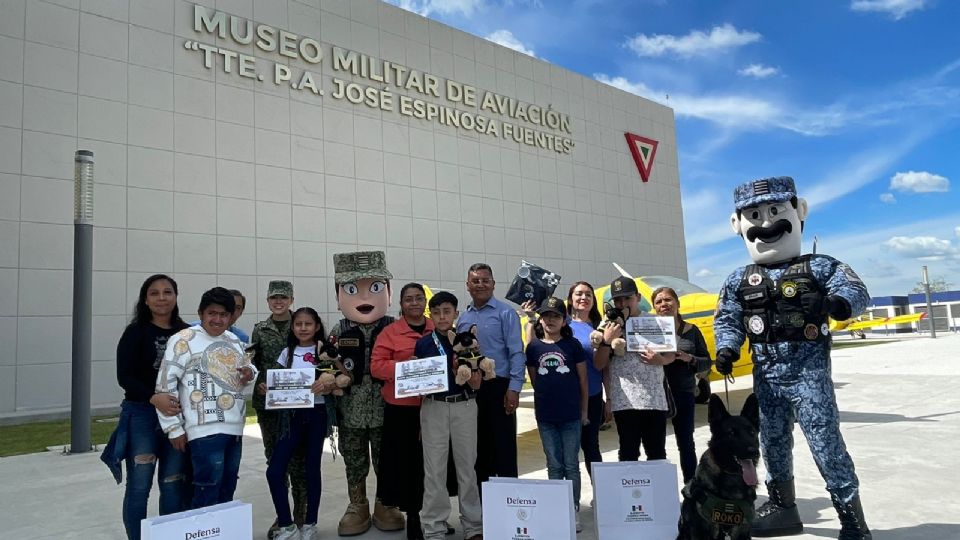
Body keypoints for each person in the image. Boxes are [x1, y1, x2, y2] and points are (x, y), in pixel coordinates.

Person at [714, 176, 872, 539]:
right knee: (771, 442)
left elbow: (854, 289)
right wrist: (727, 347)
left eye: (775, 210)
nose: (766, 223)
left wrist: (837, 304)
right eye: (754, 214)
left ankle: (852, 521)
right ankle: (783, 506)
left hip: (809, 372)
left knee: (825, 443)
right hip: (766, 375)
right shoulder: (739, 279)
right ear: (738, 224)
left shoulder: (820, 267)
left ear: (798, 212)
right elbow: (728, 318)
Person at [100, 274, 191, 540]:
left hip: (177, 417)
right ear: (145, 299)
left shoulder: (186, 333)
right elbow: (125, 376)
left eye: (167, 292)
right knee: (139, 487)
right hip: (141, 415)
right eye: (154, 293)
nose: (161, 298)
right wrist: (154, 397)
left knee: (173, 483)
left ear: (176, 297)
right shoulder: (135, 332)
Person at [156, 287, 257, 508]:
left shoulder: (234, 341)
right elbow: (165, 385)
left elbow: (246, 372)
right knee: (207, 490)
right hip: (203, 431)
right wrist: (173, 428)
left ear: (231, 317)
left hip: (234, 430)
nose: (217, 319)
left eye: (223, 314)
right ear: (201, 313)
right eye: (212, 313)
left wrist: (250, 373)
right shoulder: (183, 340)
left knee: (227, 488)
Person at [330, 251, 405, 535]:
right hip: (351, 410)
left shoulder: (394, 328)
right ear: (340, 295)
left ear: (387, 291)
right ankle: (357, 505)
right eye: (351, 289)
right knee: (355, 458)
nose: (363, 296)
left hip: (388, 407)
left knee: (387, 457)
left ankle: (386, 503)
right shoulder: (339, 329)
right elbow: (327, 362)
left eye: (374, 287)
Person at [415, 291, 484, 540]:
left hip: (464, 405)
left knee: (467, 467)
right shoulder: (423, 344)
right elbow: (417, 382)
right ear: (430, 315)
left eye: (447, 311)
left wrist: (477, 380)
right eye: (436, 312)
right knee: (434, 469)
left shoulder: (468, 339)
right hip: (433, 407)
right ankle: (434, 525)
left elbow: (477, 381)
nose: (442, 316)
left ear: (456, 313)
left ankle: (474, 525)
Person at [370, 283, 435, 540]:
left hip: (434, 408)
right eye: (409, 299)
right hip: (402, 411)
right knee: (408, 467)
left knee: (434, 466)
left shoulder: (438, 329)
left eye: (419, 298)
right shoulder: (390, 333)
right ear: (401, 303)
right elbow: (376, 367)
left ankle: (434, 514)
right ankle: (414, 518)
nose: (415, 303)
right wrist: (405, 367)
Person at [456, 263, 525, 490]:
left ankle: (509, 501)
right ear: (468, 286)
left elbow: (516, 352)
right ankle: (484, 506)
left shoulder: (506, 313)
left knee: (503, 447)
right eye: (475, 281)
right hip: (472, 390)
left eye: (485, 280)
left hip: (499, 387)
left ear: (493, 284)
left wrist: (514, 388)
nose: (480, 285)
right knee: (479, 448)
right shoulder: (464, 318)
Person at [592, 276, 674, 462]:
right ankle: (631, 491)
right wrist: (606, 340)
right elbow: (599, 364)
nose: (622, 303)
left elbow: (671, 356)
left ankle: (657, 492)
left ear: (637, 297)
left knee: (657, 454)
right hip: (625, 400)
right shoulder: (608, 323)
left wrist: (660, 360)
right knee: (628, 454)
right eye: (618, 300)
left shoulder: (657, 321)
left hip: (654, 399)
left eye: (627, 298)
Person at [525, 296, 589, 533]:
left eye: (556, 316)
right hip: (546, 416)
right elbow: (534, 379)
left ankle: (572, 508)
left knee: (571, 464)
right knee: (554, 464)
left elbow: (582, 379)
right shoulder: (533, 347)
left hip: (571, 414)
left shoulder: (572, 346)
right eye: (546, 315)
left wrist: (584, 411)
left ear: (564, 320)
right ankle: (556, 507)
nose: (550, 320)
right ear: (540, 320)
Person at [267, 308, 332, 540]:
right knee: (275, 470)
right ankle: (286, 524)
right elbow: (277, 381)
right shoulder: (286, 353)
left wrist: (327, 383)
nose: (303, 328)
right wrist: (268, 388)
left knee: (312, 469)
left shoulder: (324, 350)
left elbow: (336, 379)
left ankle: (310, 523)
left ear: (316, 326)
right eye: (298, 324)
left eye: (308, 324)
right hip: (291, 415)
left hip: (317, 412)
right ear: (292, 327)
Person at [250, 280, 307, 537]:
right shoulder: (260, 329)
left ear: (291, 299)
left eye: (283, 298)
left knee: (299, 460)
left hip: (298, 402)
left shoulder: (302, 324)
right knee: (275, 460)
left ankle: (301, 513)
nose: (279, 302)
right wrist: (260, 383)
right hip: (270, 404)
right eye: (274, 298)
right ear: (268, 301)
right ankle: (282, 514)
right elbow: (255, 365)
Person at [652, 286, 712, 483]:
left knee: (686, 443)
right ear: (654, 308)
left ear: (677, 303)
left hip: (684, 392)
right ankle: (661, 489)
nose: (664, 305)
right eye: (659, 302)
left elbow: (706, 361)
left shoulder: (691, 331)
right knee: (656, 444)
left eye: (668, 300)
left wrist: (690, 358)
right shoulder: (649, 331)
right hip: (657, 395)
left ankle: (691, 485)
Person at [565, 281, 612, 479]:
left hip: (592, 395)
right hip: (566, 396)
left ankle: (601, 495)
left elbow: (606, 368)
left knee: (591, 446)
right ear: (570, 299)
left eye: (588, 295)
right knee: (568, 450)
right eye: (579, 294)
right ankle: (568, 496)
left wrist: (609, 399)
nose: (583, 298)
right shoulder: (562, 325)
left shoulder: (601, 328)